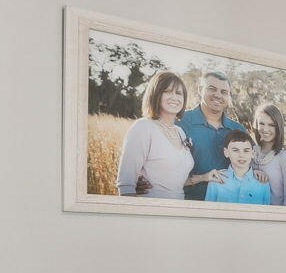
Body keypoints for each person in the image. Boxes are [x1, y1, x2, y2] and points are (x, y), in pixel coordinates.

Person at [113, 71, 195, 199]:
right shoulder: (143, 127)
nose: (174, 97)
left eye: (179, 93)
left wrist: (203, 177)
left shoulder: (180, 132)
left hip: (178, 210)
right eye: (167, 91)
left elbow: (175, 181)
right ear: (155, 94)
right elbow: (126, 185)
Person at [179, 70, 244, 199]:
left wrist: (282, 149)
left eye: (224, 92)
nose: (218, 95)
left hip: (226, 205)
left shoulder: (238, 129)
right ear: (200, 89)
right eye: (212, 89)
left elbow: (254, 158)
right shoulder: (181, 121)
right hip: (188, 203)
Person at [249, 101, 286, 207]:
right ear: (256, 125)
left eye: (271, 125)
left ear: (278, 127)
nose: (265, 129)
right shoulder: (249, 152)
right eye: (261, 123)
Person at [203, 131, 272, 205]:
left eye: (246, 150)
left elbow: (265, 214)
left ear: (253, 153)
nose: (241, 155)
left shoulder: (262, 183)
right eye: (235, 150)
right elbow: (209, 213)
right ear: (226, 152)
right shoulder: (216, 181)